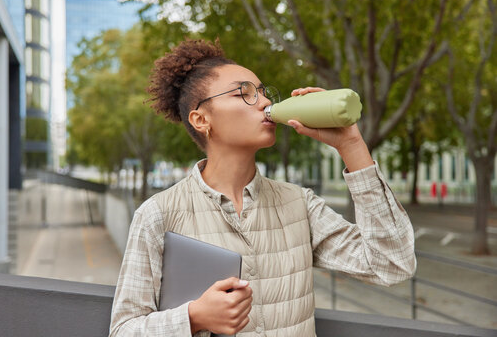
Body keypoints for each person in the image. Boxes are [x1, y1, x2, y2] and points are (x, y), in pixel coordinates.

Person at [109, 39, 416, 337]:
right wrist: (193, 318)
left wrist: (351, 145)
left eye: (263, 92)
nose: (266, 102)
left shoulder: (300, 204)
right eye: (244, 93)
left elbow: (392, 264)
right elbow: (124, 330)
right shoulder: (158, 215)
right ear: (201, 119)